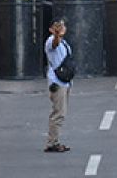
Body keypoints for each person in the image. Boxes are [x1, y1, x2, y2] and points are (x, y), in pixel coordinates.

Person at [44, 18, 72, 153]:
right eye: (58, 26)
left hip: (64, 81)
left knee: (61, 112)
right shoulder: (51, 41)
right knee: (58, 113)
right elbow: (54, 44)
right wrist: (56, 35)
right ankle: (52, 142)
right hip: (57, 82)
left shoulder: (64, 42)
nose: (62, 28)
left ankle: (54, 141)